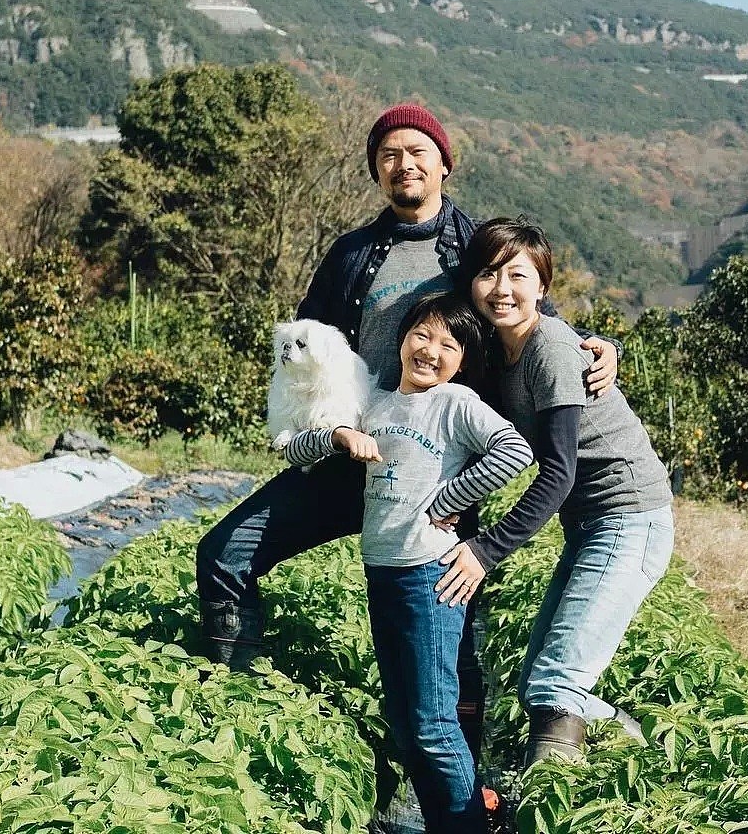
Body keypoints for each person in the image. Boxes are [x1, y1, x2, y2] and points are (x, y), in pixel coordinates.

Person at [195, 103, 619, 751]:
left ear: (444, 163)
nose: (404, 165)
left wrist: (594, 342)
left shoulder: (475, 248)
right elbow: (304, 343)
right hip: (349, 457)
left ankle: (462, 785)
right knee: (225, 556)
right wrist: (306, 427)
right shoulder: (351, 254)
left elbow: (534, 315)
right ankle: (236, 723)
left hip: (435, 475)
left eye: (418, 152)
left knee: (446, 633)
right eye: (389, 155)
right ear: (376, 171)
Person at [284, 293, 533, 833]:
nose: (431, 350)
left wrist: (448, 502)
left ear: (461, 362)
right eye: (423, 334)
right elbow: (292, 451)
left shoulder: (455, 404)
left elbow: (515, 452)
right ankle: (447, 822)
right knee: (406, 721)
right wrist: (337, 434)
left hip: (430, 576)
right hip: (384, 571)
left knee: (433, 723)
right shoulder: (374, 404)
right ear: (402, 338)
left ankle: (466, 826)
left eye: (449, 345)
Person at [431, 217, 674, 766]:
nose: (502, 289)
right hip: (590, 526)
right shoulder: (497, 350)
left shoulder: (549, 350)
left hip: (628, 516)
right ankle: (639, 747)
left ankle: (554, 807)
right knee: (538, 687)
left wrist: (485, 550)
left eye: (517, 276)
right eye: (489, 275)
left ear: (542, 286)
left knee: (556, 686)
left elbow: (559, 471)